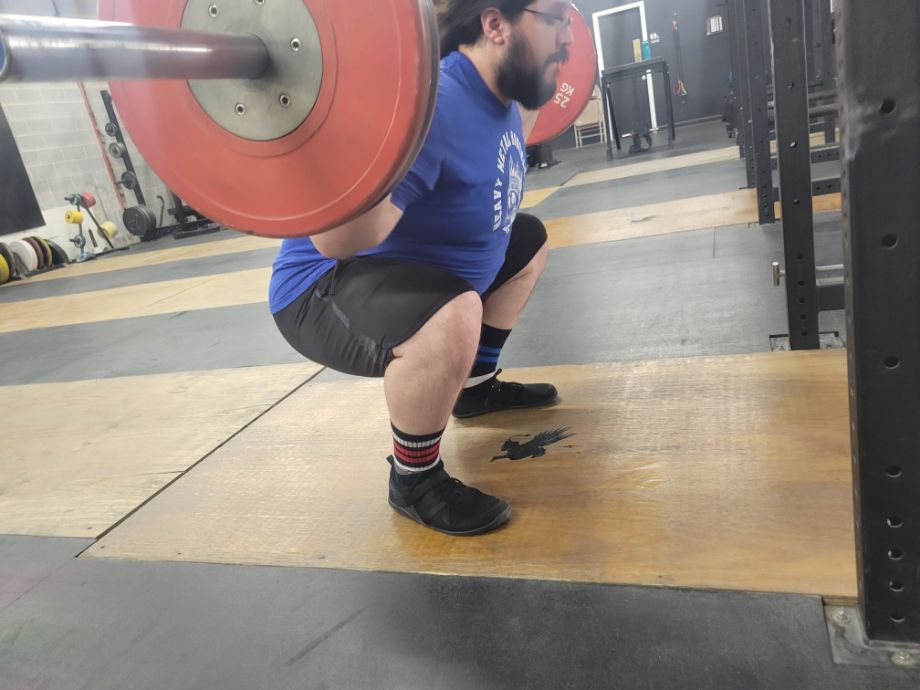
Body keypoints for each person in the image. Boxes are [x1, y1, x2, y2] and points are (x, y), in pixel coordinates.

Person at [269, 0, 575, 536]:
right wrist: (309, 142)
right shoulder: (434, 109)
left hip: (401, 267)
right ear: (495, 25)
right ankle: (414, 479)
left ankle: (475, 387)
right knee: (452, 314)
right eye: (556, 20)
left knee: (528, 240)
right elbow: (338, 240)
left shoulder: (500, 94)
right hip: (318, 286)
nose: (569, 38)